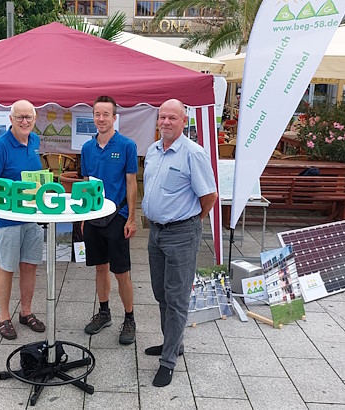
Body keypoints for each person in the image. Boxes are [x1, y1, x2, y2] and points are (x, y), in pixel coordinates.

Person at [142, 99, 218, 387]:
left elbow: (208, 196)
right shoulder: (153, 151)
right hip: (156, 233)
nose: (166, 122)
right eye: (162, 117)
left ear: (184, 121)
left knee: (176, 299)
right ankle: (172, 343)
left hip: (181, 233)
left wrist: (192, 221)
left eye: (172, 118)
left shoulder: (193, 154)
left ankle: (169, 360)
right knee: (161, 293)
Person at [0, 100, 46, 340]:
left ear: (35, 117)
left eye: (28, 117)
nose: (24, 121)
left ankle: (26, 312)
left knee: (30, 265)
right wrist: (17, 190)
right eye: (19, 117)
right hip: (9, 218)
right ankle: (4, 316)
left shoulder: (35, 141)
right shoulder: (0, 146)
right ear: (11, 119)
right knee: (7, 267)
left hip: (32, 216)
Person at [79, 96, 138, 345]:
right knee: (100, 267)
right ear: (93, 117)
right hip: (94, 216)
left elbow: (132, 183)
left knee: (121, 272)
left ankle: (130, 318)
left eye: (106, 114)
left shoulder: (127, 145)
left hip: (117, 216)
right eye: (97, 114)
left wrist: (132, 219)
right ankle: (104, 313)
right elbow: (85, 183)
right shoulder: (87, 148)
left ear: (115, 117)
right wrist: (83, 216)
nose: (101, 118)